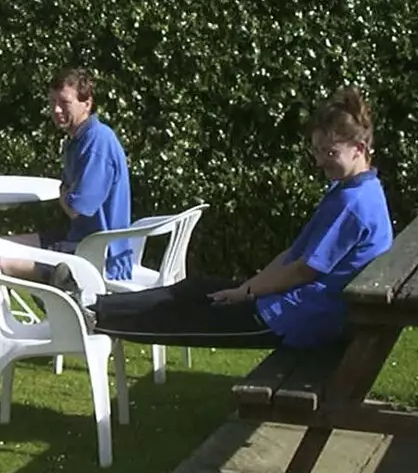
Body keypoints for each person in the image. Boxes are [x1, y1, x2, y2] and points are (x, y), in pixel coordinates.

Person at [90, 86, 392, 349]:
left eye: (330, 153)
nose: (319, 161)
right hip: (292, 303)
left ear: (359, 149)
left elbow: (303, 271)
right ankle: (94, 304)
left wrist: (247, 292)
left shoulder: (353, 205)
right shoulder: (352, 190)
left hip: (298, 319)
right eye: (316, 151)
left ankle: (91, 318)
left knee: (182, 320)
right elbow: (293, 255)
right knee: (193, 289)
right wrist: (248, 288)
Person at [0, 67, 132, 348]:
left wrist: (62, 192)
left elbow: (77, 209)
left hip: (93, 255)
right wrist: (65, 192)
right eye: (52, 102)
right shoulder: (79, 138)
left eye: (65, 103)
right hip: (76, 241)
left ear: (87, 103)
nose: (56, 110)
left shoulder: (97, 143)